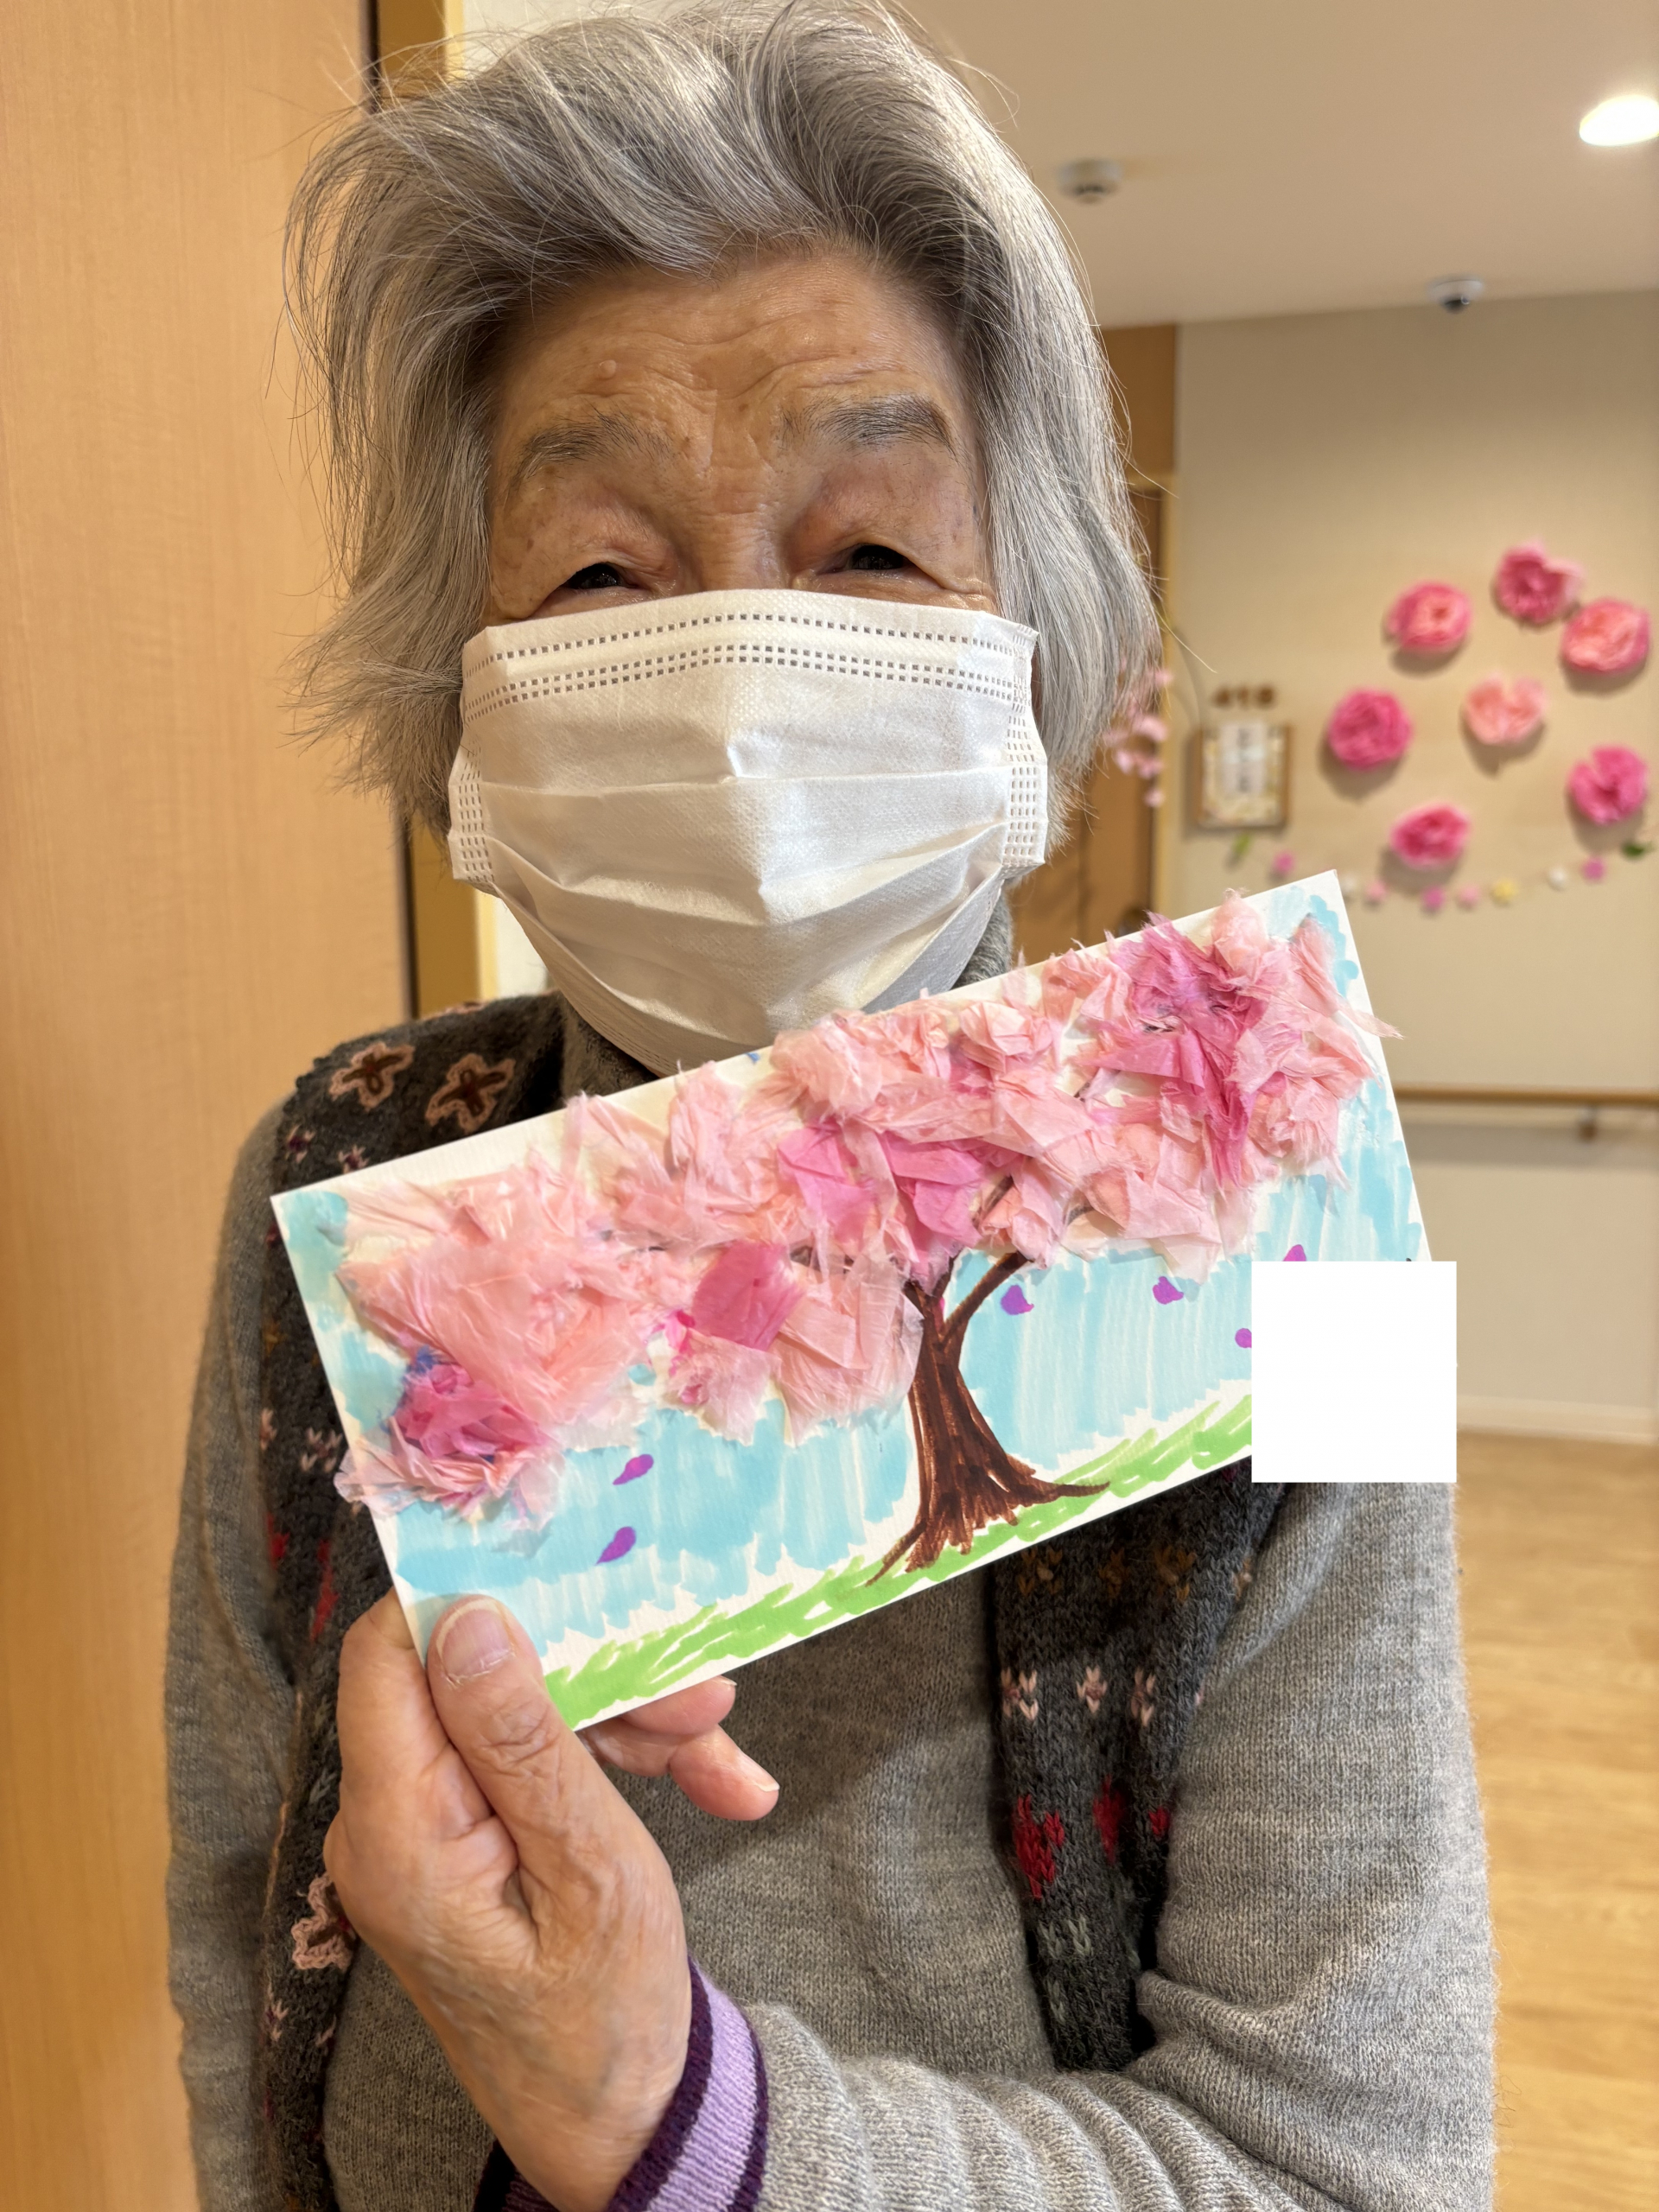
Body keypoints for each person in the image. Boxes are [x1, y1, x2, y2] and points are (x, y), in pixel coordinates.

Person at [165, 6, 1495, 2209]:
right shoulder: (347, 1161)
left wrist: (679, 2120)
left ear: (1039, 645)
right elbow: (240, 1912)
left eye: (872, 551)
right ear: (466, 698)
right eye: (601, 573)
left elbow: (1363, 2162)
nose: (740, 693)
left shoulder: (1295, 1222)